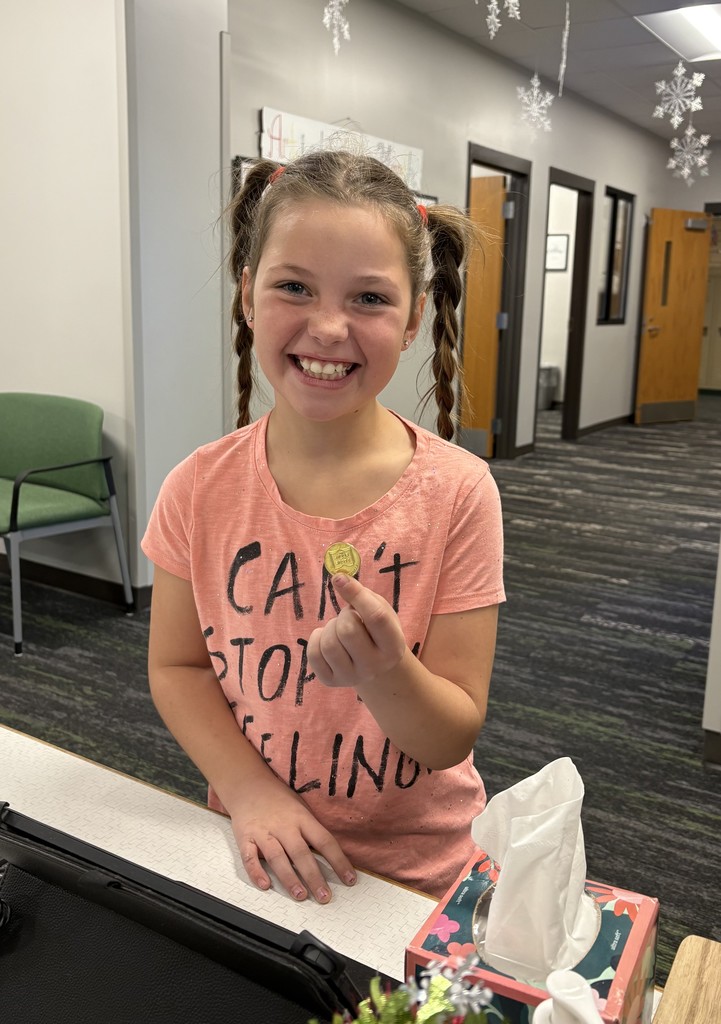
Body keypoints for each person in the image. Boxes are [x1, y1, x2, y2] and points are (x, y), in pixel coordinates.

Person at [142, 149, 505, 906]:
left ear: (411, 319)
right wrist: (248, 790)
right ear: (247, 294)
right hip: (261, 852)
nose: (329, 326)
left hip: (416, 876)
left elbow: (449, 738)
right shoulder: (197, 490)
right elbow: (177, 669)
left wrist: (386, 675)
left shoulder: (458, 493)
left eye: (369, 298)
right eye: (293, 287)